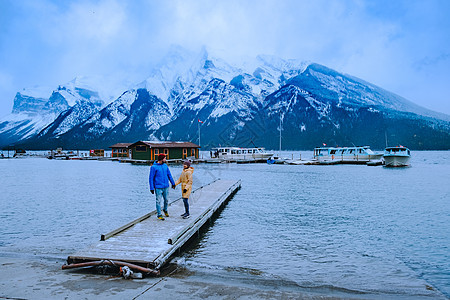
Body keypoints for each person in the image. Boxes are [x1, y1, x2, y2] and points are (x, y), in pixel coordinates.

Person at [149, 153, 175, 220]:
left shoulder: (165, 166)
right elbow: (151, 178)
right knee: (158, 201)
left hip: (166, 187)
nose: (165, 159)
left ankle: (165, 210)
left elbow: (169, 175)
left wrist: (173, 183)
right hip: (158, 187)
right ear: (161, 159)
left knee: (166, 200)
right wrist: (151, 188)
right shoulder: (153, 167)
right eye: (165, 158)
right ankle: (159, 214)